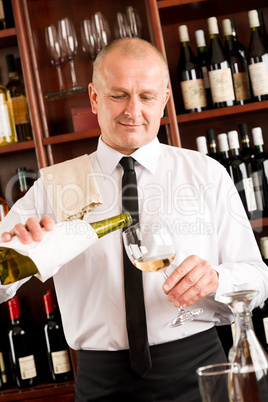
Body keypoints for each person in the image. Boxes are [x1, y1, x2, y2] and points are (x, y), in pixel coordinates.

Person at [0, 37, 268, 401]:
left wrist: (218, 279)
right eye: (118, 95)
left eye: (146, 96)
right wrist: (16, 248)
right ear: (94, 98)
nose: (133, 110)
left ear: (165, 98)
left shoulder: (206, 173)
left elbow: (258, 278)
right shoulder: (55, 186)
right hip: (101, 382)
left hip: (199, 368)